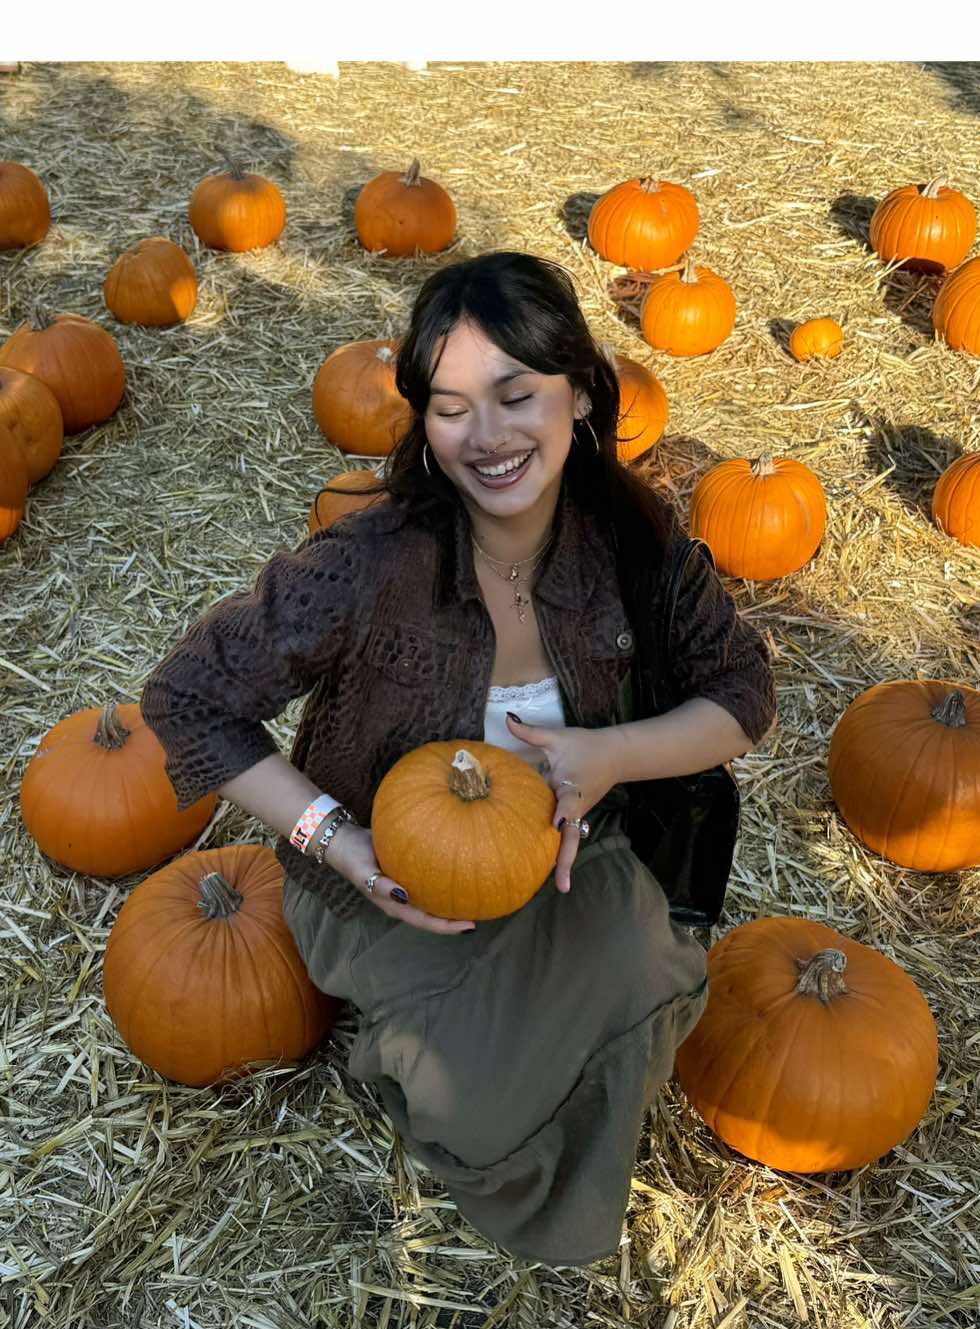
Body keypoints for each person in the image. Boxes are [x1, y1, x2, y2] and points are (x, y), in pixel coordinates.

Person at [140, 251, 776, 1268]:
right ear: (422, 424)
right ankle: (429, 1061)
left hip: (568, 852)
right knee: (474, 1106)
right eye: (450, 407)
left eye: (517, 395)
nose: (486, 437)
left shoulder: (638, 542)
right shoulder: (367, 563)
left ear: (580, 393)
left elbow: (743, 694)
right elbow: (188, 700)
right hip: (386, 879)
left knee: (647, 980)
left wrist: (610, 757)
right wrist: (336, 841)